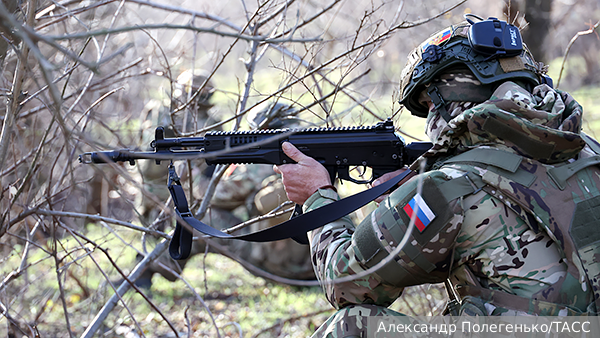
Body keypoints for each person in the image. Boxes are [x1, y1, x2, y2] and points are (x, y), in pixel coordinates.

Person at [274, 16, 600, 337]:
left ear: (457, 92)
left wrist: (317, 196)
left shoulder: (450, 187)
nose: (430, 116)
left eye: (430, 102)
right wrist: (405, 199)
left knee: (353, 324)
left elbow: (347, 284)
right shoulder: (589, 151)